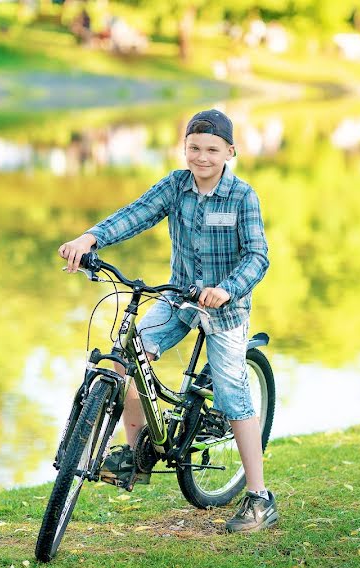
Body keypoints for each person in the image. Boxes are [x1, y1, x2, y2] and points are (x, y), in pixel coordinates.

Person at [57, 109, 277, 533]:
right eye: (194, 148)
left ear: (229, 152)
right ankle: (132, 452)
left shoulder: (242, 196)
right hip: (177, 299)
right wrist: (90, 237)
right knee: (126, 355)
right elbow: (137, 213)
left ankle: (259, 497)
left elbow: (257, 256)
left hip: (225, 307)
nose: (202, 157)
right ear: (184, 149)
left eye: (212, 149)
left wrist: (227, 288)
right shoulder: (176, 186)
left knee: (232, 394)